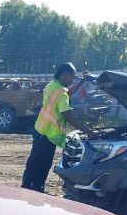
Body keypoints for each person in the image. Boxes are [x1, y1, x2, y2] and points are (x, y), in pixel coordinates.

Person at [21, 63, 93, 192]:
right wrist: (88, 131)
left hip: (41, 130)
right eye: (72, 78)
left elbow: (68, 92)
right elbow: (69, 117)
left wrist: (82, 81)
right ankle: (35, 189)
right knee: (42, 164)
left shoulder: (52, 85)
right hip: (48, 135)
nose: (72, 80)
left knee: (34, 162)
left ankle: (28, 186)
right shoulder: (61, 93)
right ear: (65, 75)